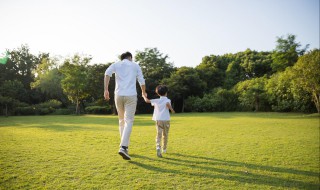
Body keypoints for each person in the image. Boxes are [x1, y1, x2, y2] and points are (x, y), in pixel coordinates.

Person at [104, 52, 147, 160]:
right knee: (129, 121)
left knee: (121, 121)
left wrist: (106, 90)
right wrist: (143, 92)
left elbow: (107, 73)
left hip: (118, 95)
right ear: (130, 57)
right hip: (131, 95)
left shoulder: (116, 64)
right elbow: (141, 80)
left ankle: (124, 147)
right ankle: (123, 147)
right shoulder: (135, 65)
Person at [142, 85, 175, 158]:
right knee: (165, 134)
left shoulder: (156, 100)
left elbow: (147, 101)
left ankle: (158, 147)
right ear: (166, 93)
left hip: (158, 119)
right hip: (166, 119)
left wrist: (144, 95)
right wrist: (172, 110)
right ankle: (164, 149)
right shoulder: (168, 100)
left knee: (159, 134)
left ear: (158, 93)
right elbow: (168, 104)